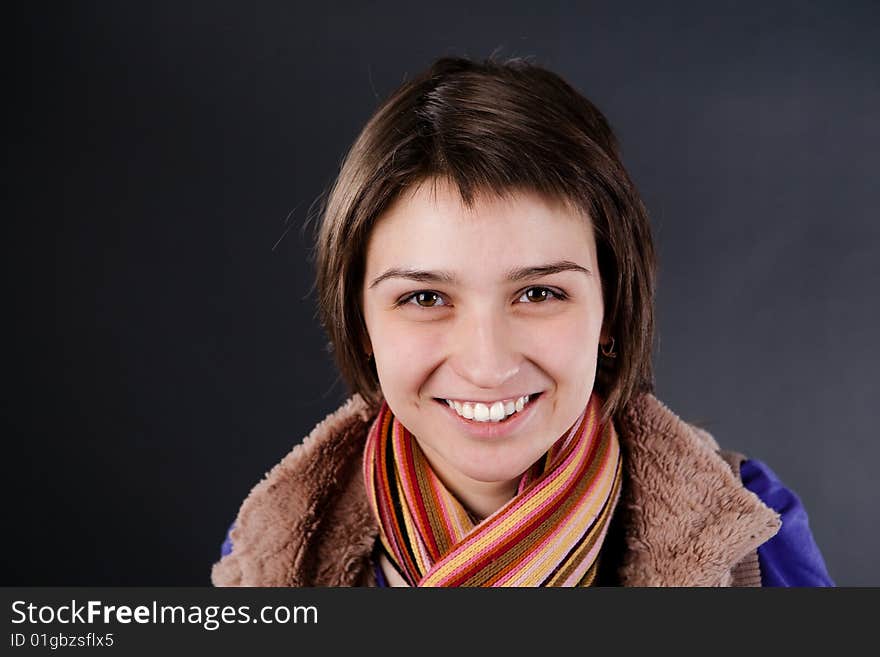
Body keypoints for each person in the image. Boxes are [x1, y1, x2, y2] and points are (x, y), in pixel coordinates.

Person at [211, 55, 833, 587]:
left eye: (538, 293)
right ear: (362, 323)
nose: (487, 364)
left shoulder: (755, 536)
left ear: (611, 312)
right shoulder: (268, 554)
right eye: (426, 299)